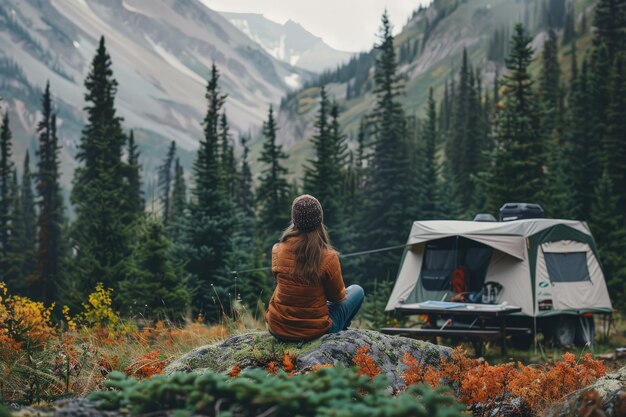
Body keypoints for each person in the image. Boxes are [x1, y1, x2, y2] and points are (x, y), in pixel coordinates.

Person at [265, 194, 365, 342]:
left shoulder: (278, 249)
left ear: (294, 220)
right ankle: (337, 333)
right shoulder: (328, 257)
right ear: (320, 220)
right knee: (357, 291)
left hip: (278, 328)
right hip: (314, 332)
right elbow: (337, 297)